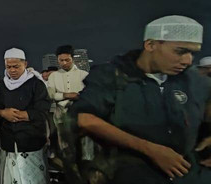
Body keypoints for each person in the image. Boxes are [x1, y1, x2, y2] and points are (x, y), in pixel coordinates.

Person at [70, 15, 211, 183]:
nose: (187, 60)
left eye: (192, 53)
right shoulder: (114, 75)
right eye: (179, 51)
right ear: (150, 45)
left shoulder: (194, 81)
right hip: (132, 173)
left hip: (189, 175)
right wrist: (151, 150)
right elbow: (85, 119)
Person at [0, 48, 51, 184]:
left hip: (30, 139)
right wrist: (3, 113)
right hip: (9, 140)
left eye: (16, 66)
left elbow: (43, 109)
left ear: (25, 64)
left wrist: (25, 115)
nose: (12, 70)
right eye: (9, 67)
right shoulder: (2, 85)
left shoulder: (36, 84)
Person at [47, 45, 90, 157]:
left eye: (67, 60)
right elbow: (50, 95)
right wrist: (67, 95)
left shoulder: (83, 75)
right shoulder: (53, 76)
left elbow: (88, 95)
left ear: (73, 59)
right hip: (60, 115)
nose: (64, 63)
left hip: (79, 115)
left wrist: (76, 97)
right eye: (61, 60)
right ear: (57, 60)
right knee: (65, 146)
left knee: (83, 146)